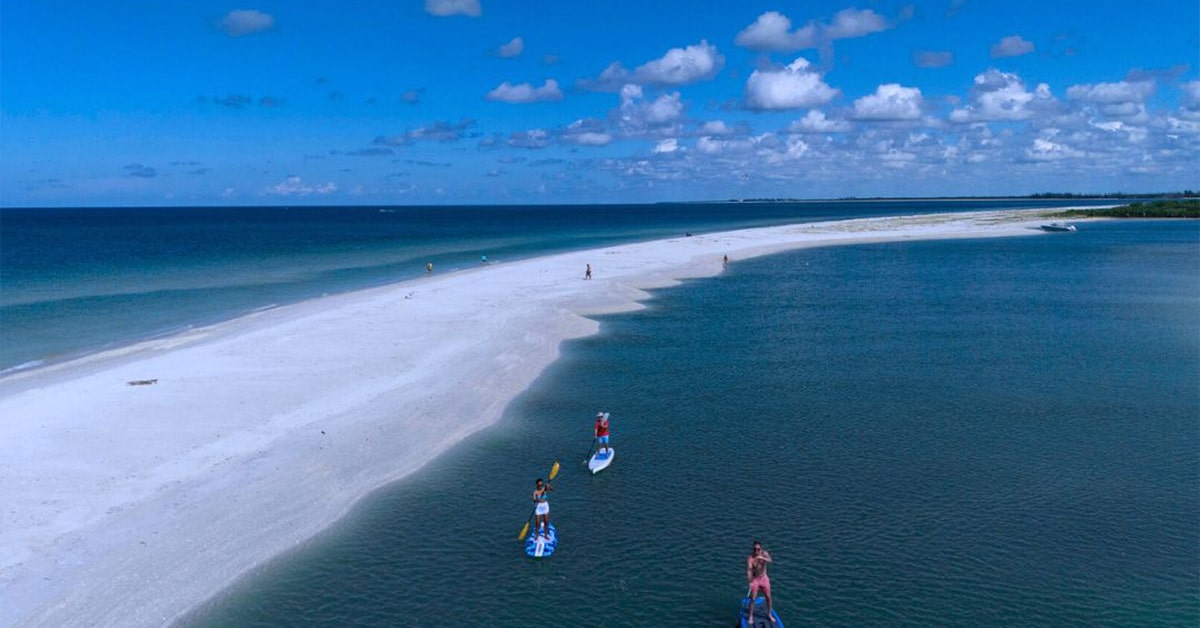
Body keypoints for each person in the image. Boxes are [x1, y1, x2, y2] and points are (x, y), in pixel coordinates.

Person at [746, 540, 775, 625]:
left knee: (768, 597)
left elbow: (770, 560)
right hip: (755, 579)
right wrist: (750, 581)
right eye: (755, 549)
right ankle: (750, 616)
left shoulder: (764, 554)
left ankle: (769, 614)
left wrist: (762, 558)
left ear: (760, 549)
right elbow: (749, 571)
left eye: (758, 549)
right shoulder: (750, 559)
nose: (756, 551)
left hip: (764, 578)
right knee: (753, 599)